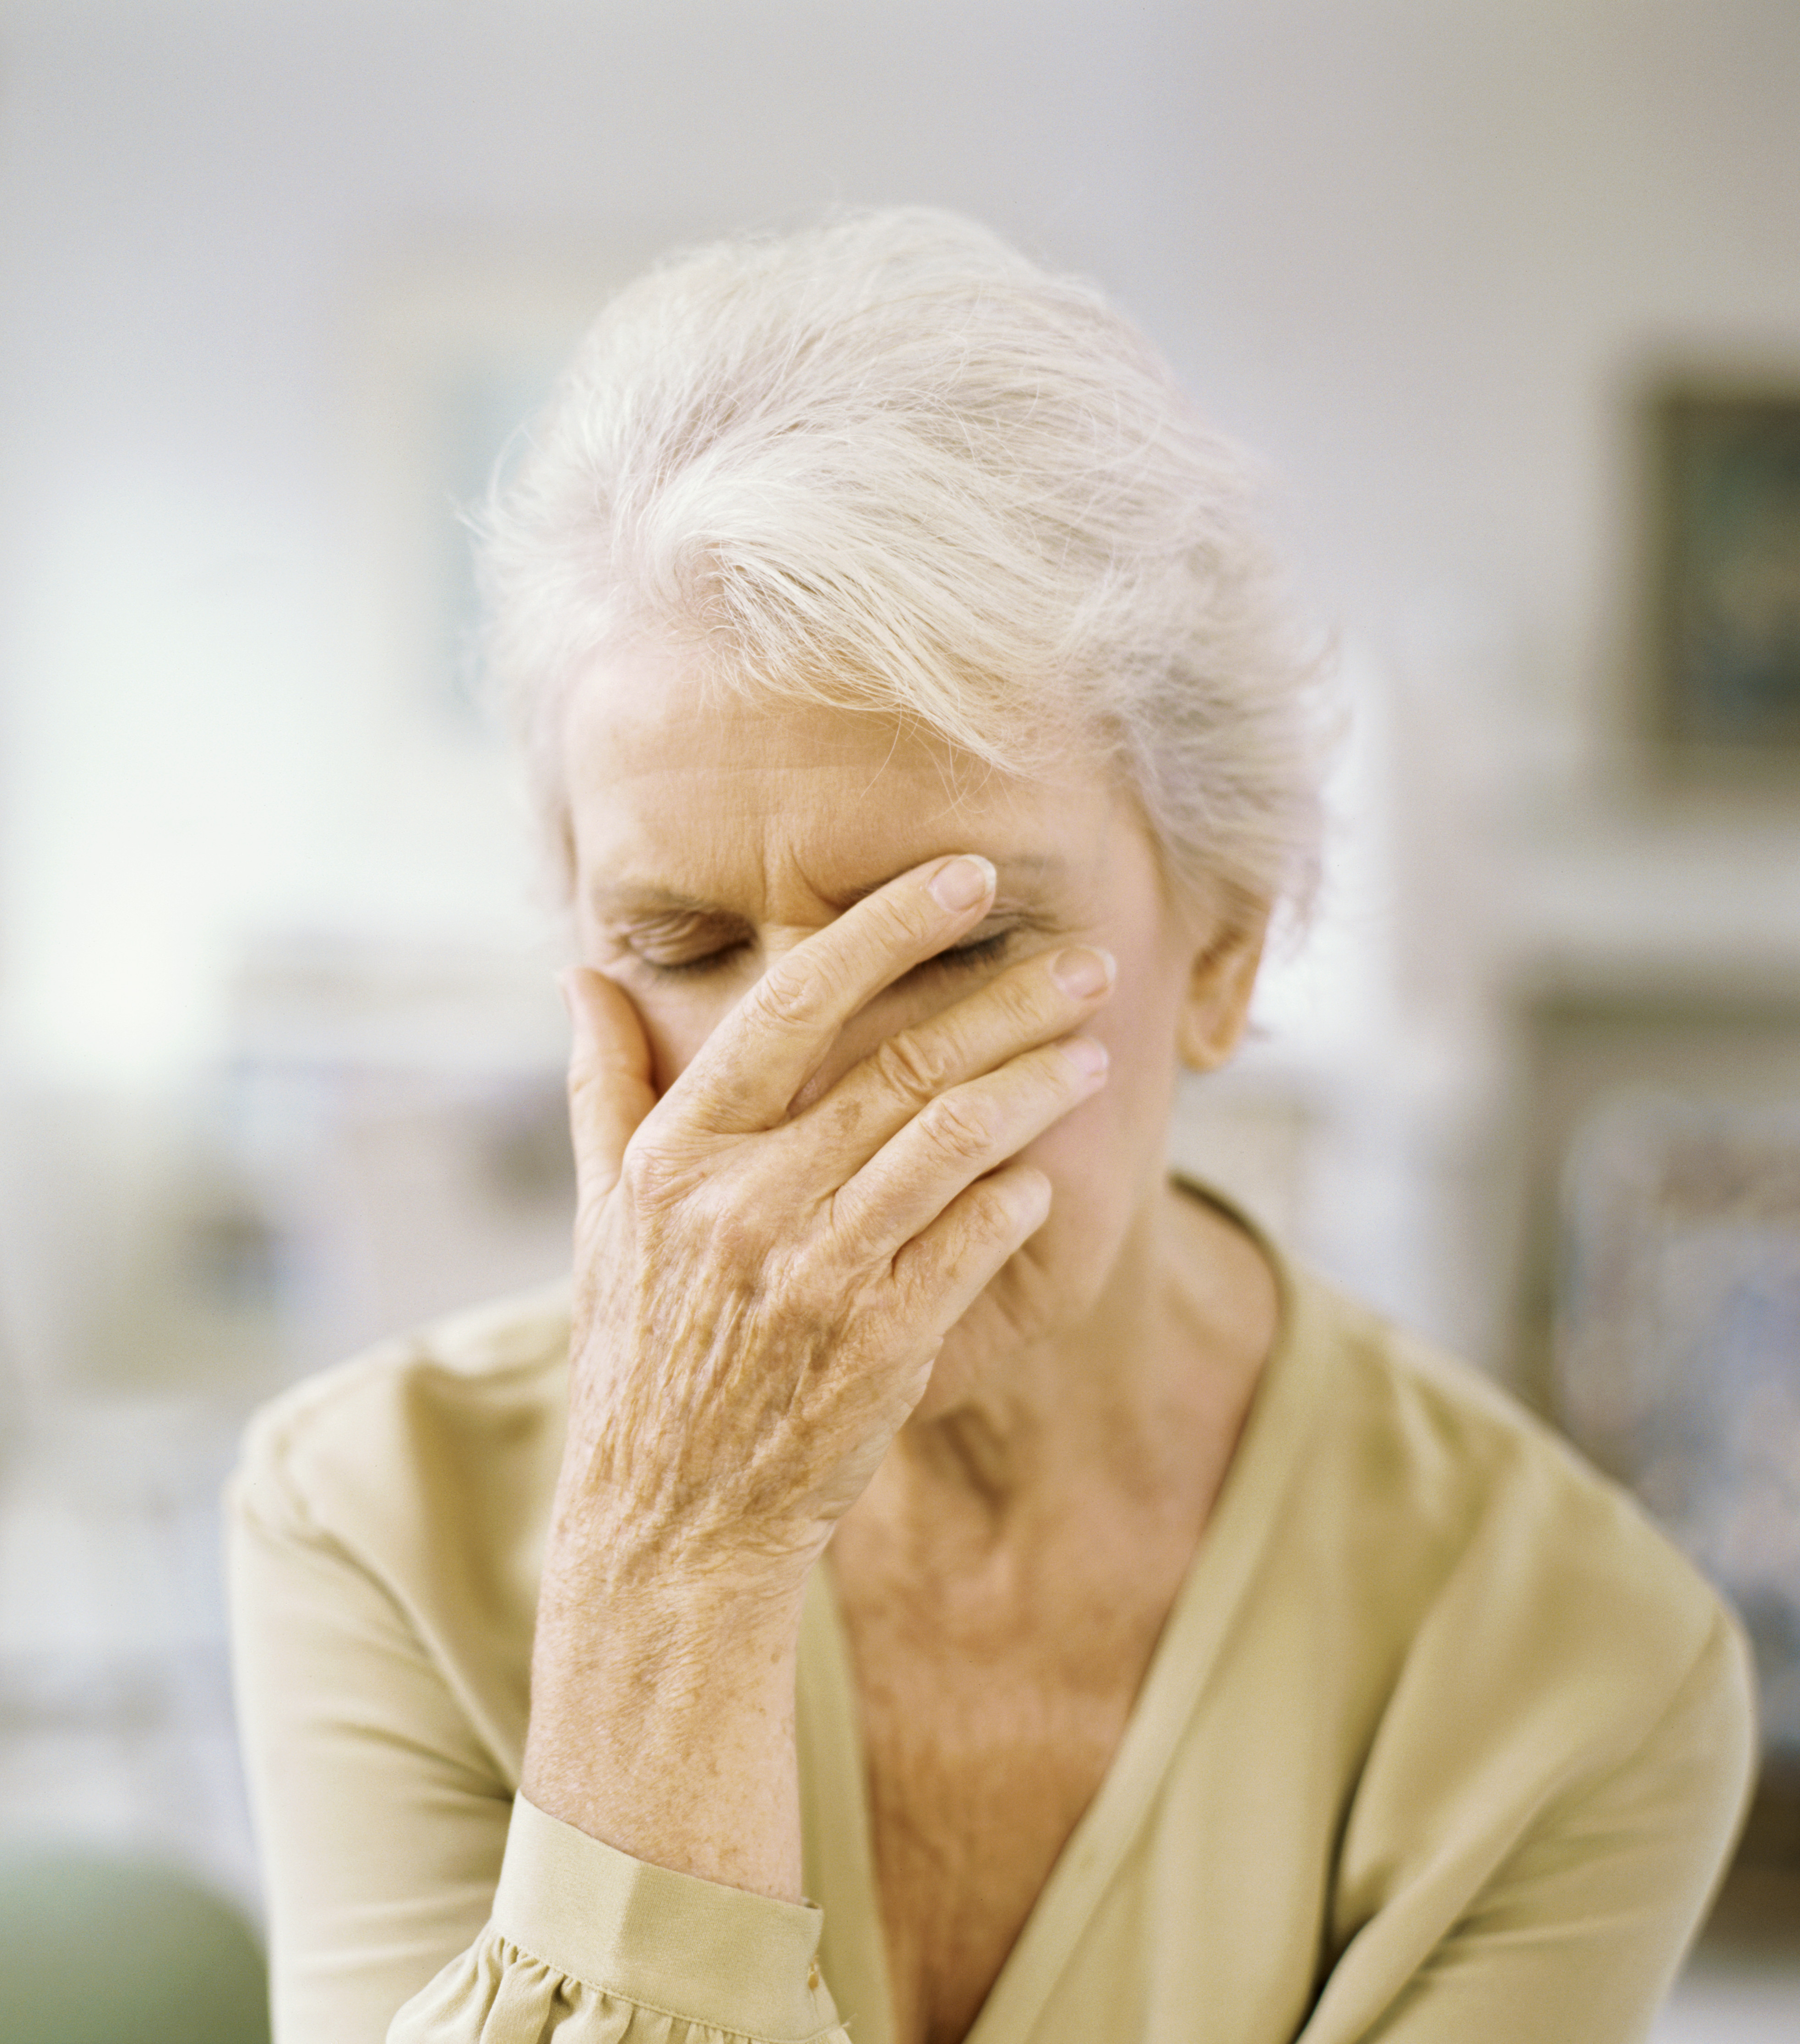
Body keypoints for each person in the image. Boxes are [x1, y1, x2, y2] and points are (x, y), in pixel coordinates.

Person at [225, 209, 1755, 2044]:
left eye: (956, 939)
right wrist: (675, 1582)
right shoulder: (374, 1525)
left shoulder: (1570, 1672)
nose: (786, 1075)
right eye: (685, 944)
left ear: (1220, 944)